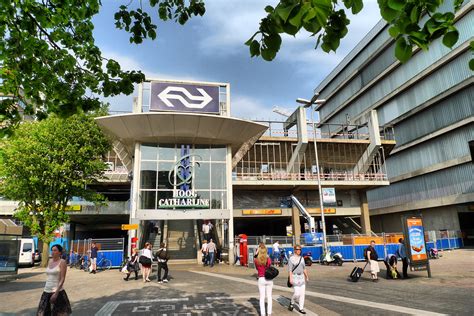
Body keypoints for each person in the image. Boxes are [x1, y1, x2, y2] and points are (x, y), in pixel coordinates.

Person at [37, 244, 72, 316]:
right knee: (44, 313)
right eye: (52, 250)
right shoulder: (49, 261)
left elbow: (62, 279)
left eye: (55, 250)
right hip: (46, 290)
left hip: (57, 292)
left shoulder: (62, 262)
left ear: (59, 252)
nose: (53, 252)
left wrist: (56, 293)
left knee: (59, 313)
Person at [288, 245, 309, 314]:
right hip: (295, 277)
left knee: (302, 294)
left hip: (302, 277)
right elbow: (290, 270)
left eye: (300, 249)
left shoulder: (302, 258)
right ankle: (292, 302)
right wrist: (290, 278)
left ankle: (301, 308)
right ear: (294, 250)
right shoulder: (291, 259)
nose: (299, 250)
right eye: (297, 249)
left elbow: (304, 268)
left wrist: (307, 276)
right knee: (297, 293)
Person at [254, 244, 273, 316]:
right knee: (269, 296)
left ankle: (262, 314)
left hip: (261, 279)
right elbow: (269, 266)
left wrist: (257, 253)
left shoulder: (256, 260)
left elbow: (256, 268)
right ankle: (269, 313)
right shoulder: (268, 259)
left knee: (262, 297)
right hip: (268, 279)